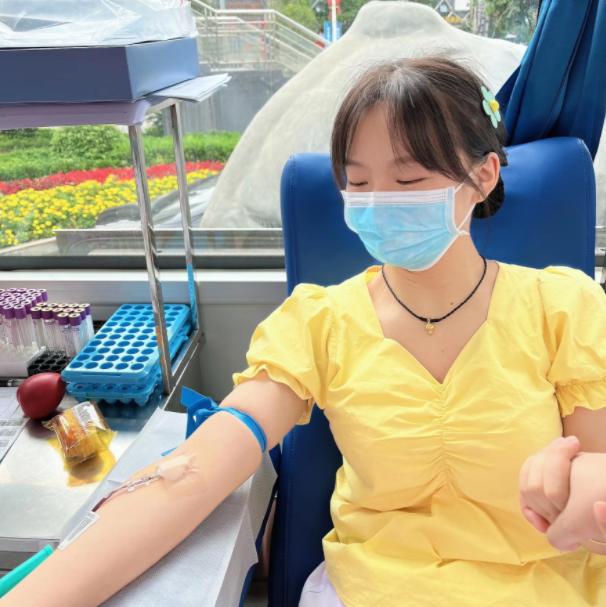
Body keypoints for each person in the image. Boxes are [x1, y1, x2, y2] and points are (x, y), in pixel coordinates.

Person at [2, 56, 606, 607]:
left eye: (408, 180)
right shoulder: (319, 322)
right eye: (358, 183)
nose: (378, 202)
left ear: (483, 176)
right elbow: (203, 466)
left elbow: (597, 471)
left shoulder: (562, 308)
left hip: (546, 588)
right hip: (373, 590)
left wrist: (589, 490)